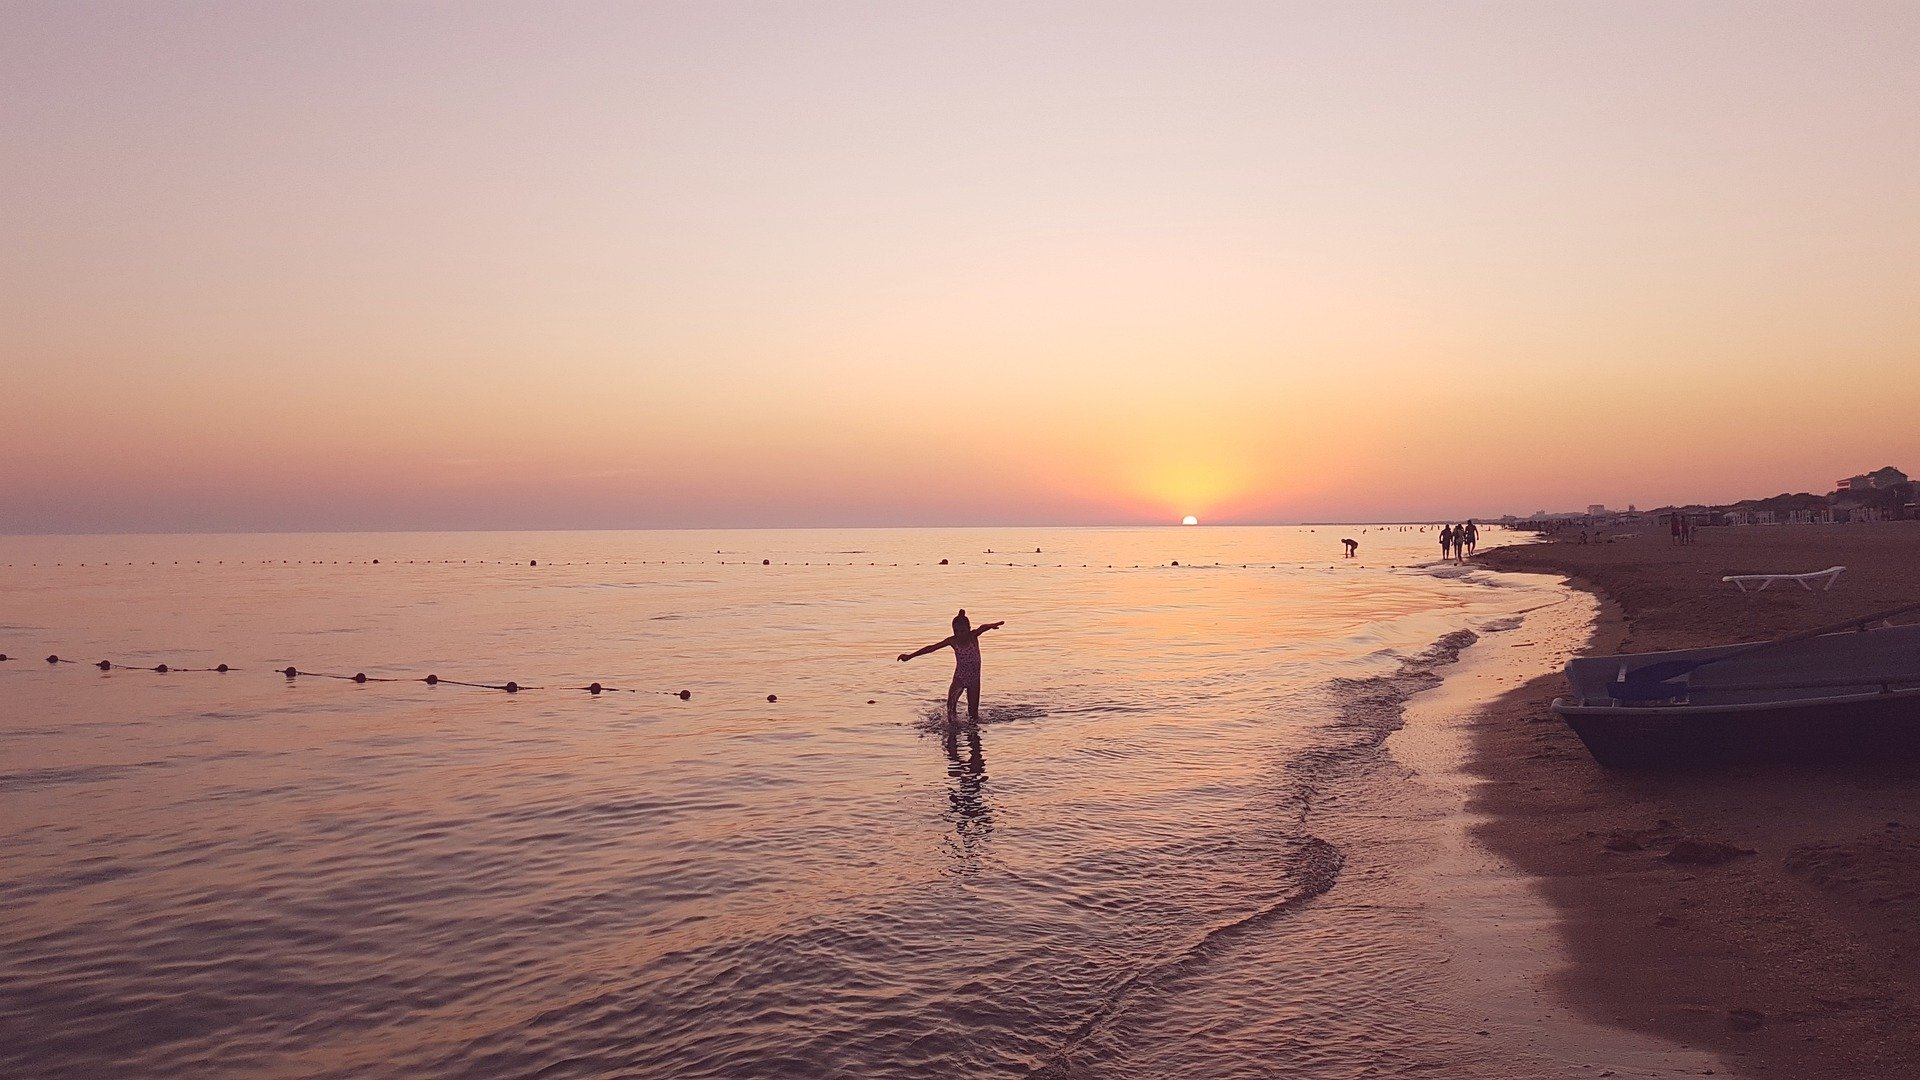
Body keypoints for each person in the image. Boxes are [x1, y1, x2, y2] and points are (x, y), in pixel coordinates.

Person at [899, 609, 1004, 725]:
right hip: (960, 677)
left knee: (973, 714)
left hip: (974, 680)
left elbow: (982, 627)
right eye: (956, 631)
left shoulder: (972, 636)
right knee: (951, 704)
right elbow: (931, 648)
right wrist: (910, 656)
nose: (959, 634)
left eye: (963, 631)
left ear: (968, 629)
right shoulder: (953, 641)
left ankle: (973, 736)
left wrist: (992, 625)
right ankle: (952, 728)